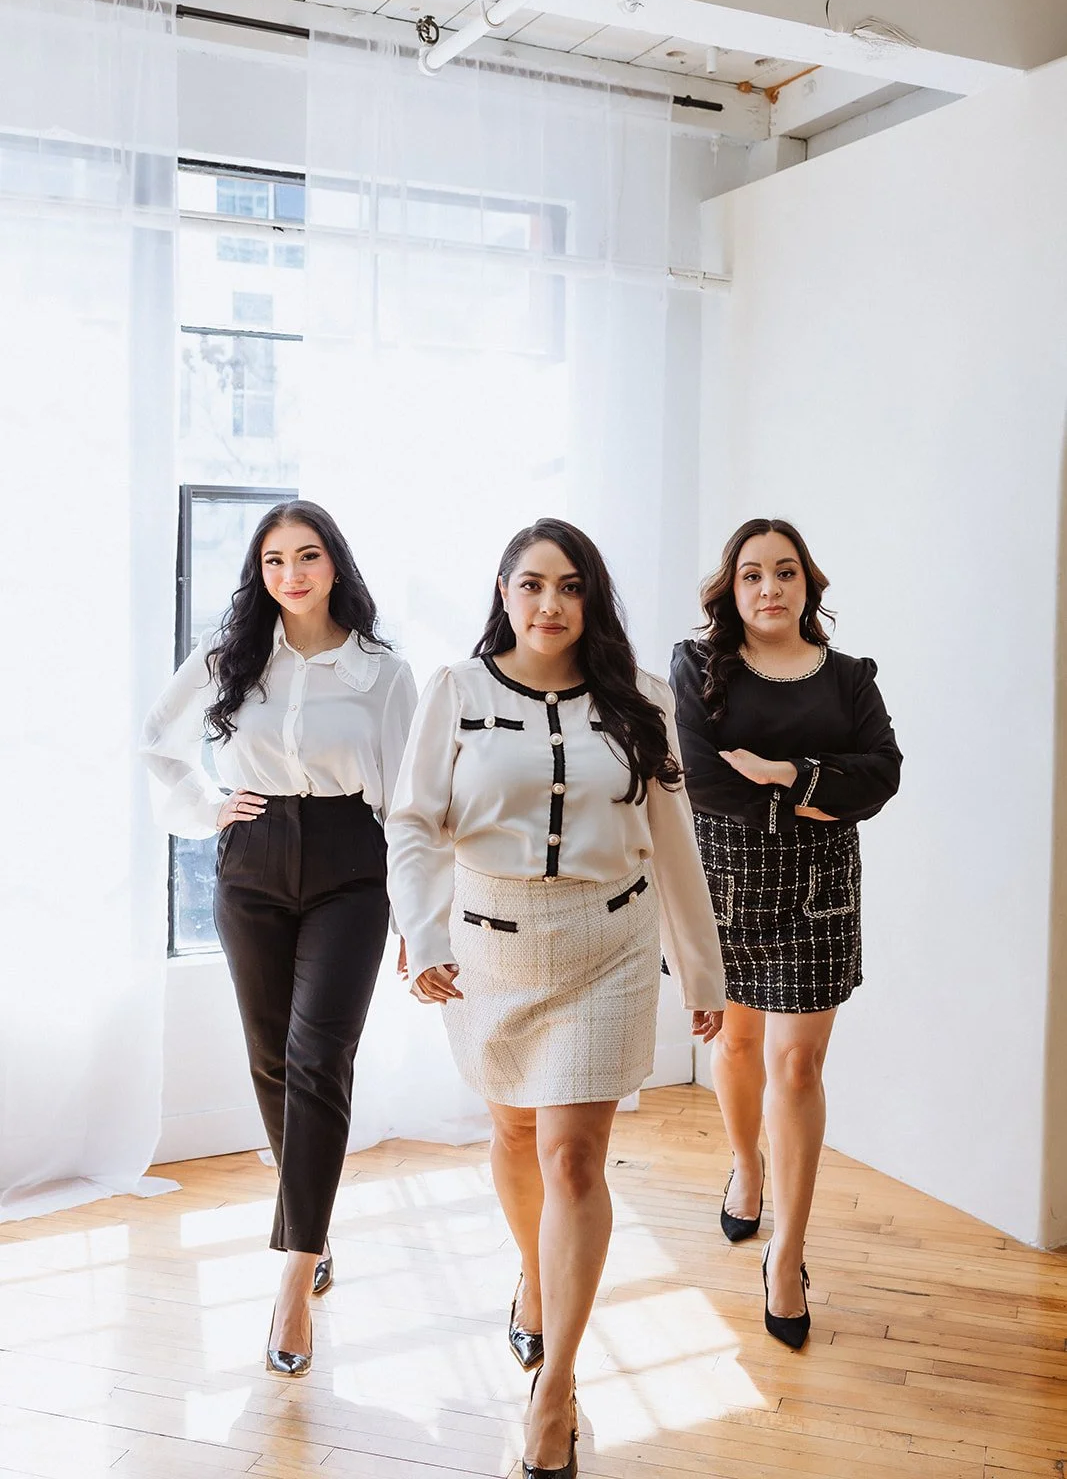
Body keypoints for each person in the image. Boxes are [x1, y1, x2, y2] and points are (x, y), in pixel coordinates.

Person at [386, 518, 725, 1479]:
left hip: (607, 945)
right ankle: (537, 1278)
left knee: (573, 1158)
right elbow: (411, 822)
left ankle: (557, 1387)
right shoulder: (454, 691)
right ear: (502, 592)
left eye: (569, 587)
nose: (549, 604)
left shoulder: (639, 703)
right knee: (511, 1138)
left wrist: (702, 970)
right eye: (531, 584)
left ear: (590, 600)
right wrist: (425, 934)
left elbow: (673, 841)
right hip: (487, 949)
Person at [141, 500, 416, 1377]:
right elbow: (156, 741)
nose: (290, 575)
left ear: (336, 563)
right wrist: (205, 808)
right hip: (251, 859)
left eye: (306, 556)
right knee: (271, 1057)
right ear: (259, 573)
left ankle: (293, 1276)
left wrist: (420, 912)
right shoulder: (230, 660)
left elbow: (410, 798)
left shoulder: (381, 673)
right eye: (272, 561)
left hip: (351, 862)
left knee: (318, 1057)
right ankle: (314, 1226)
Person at [670, 517, 901, 1348]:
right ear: (730, 590)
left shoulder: (846, 678)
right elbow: (698, 779)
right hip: (723, 887)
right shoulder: (698, 667)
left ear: (808, 585)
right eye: (751, 574)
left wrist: (783, 773)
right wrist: (813, 791)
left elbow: (883, 773)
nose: (769, 587)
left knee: (795, 1065)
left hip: (820, 891)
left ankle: (787, 1252)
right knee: (734, 1048)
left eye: (785, 572)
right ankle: (745, 1165)